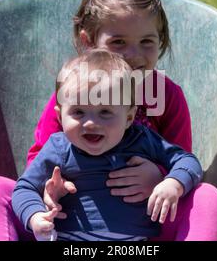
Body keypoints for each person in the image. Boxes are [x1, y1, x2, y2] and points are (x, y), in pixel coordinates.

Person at [0, 0, 217, 241]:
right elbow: (41, 159)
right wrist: (49, 190)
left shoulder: (164, 96)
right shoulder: (73, 92)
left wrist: (162, 178)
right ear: (89, 42)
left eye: (146, 42)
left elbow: (182, 159)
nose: (134, 55)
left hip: (144, 224)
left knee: (207, 198)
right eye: (119, 42)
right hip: (71, 225)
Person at [12, 50, 203, 241]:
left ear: (129, 117)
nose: (91, 123)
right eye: (78, 112)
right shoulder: (59, 148)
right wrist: (35, 215)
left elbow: (187, 160)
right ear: (60, 115)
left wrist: (173, 183)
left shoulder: (140, 139)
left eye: (105, 112)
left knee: (206, 196)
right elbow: (24, 188)